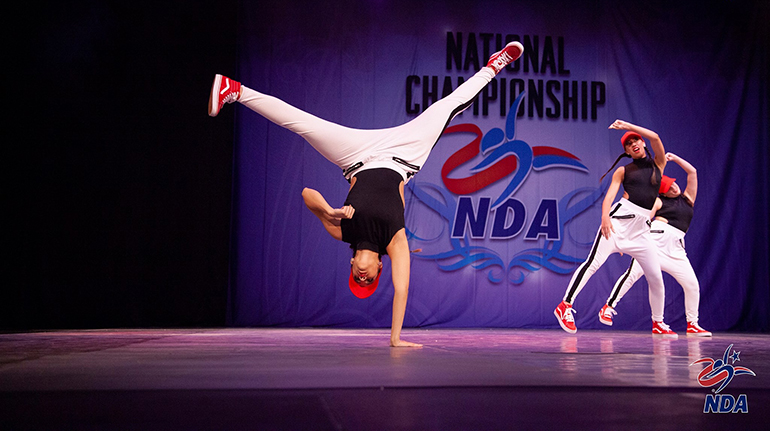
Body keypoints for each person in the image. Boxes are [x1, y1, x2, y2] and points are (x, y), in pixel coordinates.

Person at [209, 41, 525, 347]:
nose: (362, 277)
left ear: (351, 267)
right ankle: (494, 66)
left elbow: (307, 194)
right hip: (406, 155)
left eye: (358, 280)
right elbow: (402, 290)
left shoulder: (342, 231)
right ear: (378, 269)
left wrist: (330, 211)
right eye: (368, 280)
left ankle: (236, 90)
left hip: (356, 157)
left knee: (303, 124)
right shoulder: (395, 242)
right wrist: (395, 339)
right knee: (448, 107)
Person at [554, 120, 679, 338]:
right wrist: (604, 217)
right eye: (629, 144)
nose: (633, 144)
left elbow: (656, 137)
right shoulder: (623, 171)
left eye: (636, 140)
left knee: (655, 277)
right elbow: (610, 195)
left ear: (642, 142)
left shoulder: (658, 164)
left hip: (641, 231)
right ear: (627, 151)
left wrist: (628, 127)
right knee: (593, 264)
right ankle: (565, 305)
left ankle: (658, 322)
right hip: (618, 222)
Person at [598, 153, 711, 336]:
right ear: (662, 191)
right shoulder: (658, 201)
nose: (673, 187)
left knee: (692, 285)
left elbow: (693, 173)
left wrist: (676, 159)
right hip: (655, 240)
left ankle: (692, 323)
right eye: (668, 187)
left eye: (673, 183)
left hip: (676, 249)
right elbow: (643, 218)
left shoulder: (687, 199)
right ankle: (609, 307)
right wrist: (624, 240)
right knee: (632, 274)